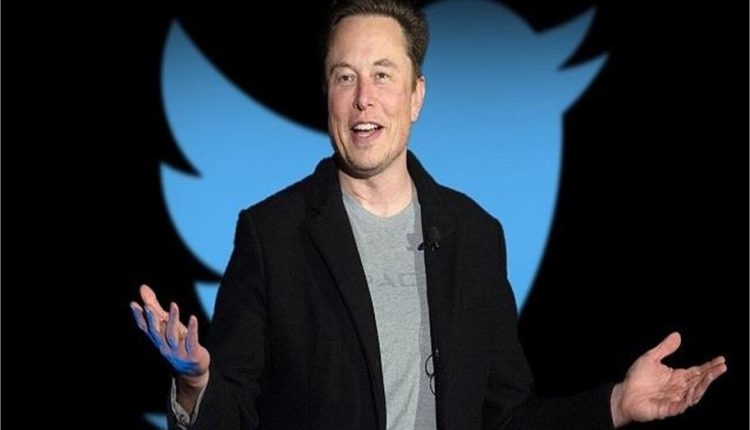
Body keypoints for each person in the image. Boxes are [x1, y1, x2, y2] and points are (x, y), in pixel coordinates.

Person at [130, 1, 727, 429]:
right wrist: (196, 384)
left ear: (416, 96)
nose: (363, 98)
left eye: (382, 75)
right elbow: (236, 411)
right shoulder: (271, 234)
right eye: (345, 77)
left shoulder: (477, 236)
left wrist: (615, 405)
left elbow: (508, 415)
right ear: (328, 96)